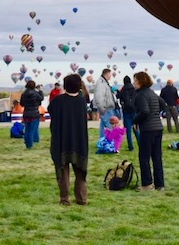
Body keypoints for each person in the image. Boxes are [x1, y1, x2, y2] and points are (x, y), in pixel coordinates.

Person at [48, 73, 89, 205]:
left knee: (63, 170)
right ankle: (82, 198)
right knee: (80, 171)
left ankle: (65, 198)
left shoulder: (58, 101)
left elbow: (50, 110)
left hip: (61, 140)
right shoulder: (81, 102)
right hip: (79, 140)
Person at [133, 71, 165, 191]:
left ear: (140, 82)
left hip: (147, 129)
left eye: (135, 81)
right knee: (157, 157)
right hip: (158, 127)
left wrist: (135, 121)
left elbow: (145, 111)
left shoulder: (141, 95)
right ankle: (159, 184)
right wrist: (155, 113)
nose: (134, 83)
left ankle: (147, 184)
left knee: (144, 157)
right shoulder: (152, 93)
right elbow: (162, 103)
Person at [20, 80, 44, 149]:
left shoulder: (24, 94)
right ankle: (31, 144)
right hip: (34, 114)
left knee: (27, 129)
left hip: (26, 113)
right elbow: (41, 98)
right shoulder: (35, 93)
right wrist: (40, 91)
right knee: (33, 129)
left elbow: (22, 104)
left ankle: (27, 143)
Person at [91, 68, 116, 137]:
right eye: (110, 74)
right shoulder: (101, 83)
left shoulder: (103, 83)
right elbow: (99, 96)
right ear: (107, 74)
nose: (110, 76)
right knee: (109, 125)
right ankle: (108, 142)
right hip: (106, 107)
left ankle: (103, 142)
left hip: (105, 107)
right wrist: (101, 107)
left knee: (103, 126)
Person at [118, 76, 138, 152]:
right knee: (136, 129)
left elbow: (118, 96)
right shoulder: (134, 89)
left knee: (128, 130)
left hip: (126, 112)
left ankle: (131, 146)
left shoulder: (123, 90)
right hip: (134, 111)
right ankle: (140, 143)